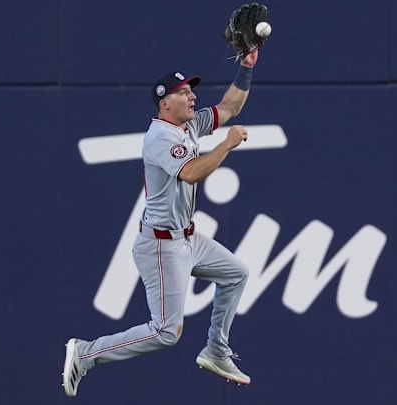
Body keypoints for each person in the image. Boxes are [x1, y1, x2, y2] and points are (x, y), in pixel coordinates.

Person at [62, 51, 260, 397]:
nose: (192, 96)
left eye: (190, 91)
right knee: (165, 332)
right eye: (184, 92)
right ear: (165, 103)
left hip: (187, 237)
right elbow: (191, 173)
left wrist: (246, 67)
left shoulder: (187, 125)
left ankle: (216, 350)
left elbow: (230, 108)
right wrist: (227, 145)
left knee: (236, 273)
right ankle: (85, 353)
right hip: (161, 245)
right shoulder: (160, 138)